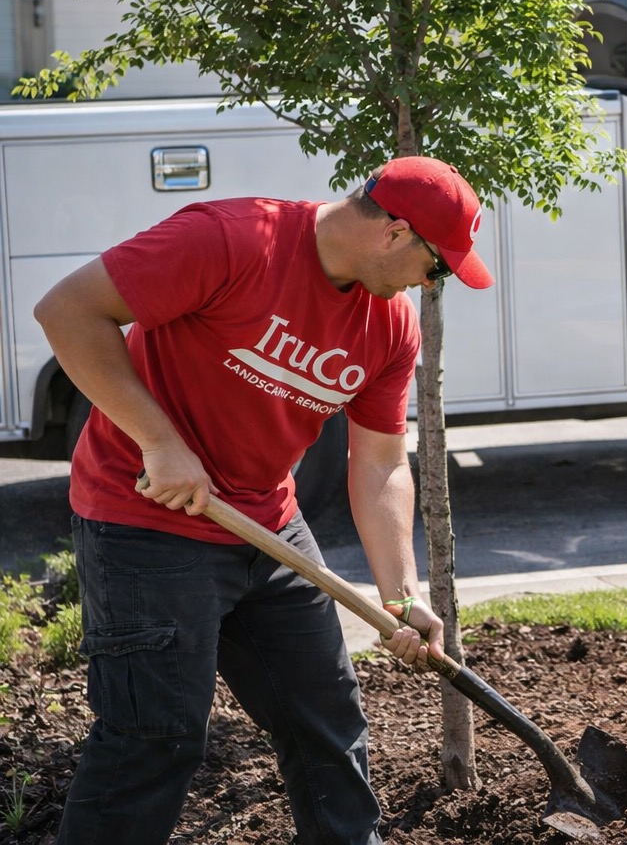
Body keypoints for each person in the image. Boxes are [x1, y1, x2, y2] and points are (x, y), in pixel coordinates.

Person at [34, 155, 495, 844]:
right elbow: (67, 310)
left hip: (266, 527)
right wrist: (158, 441)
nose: (434, 283)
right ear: (395, 233)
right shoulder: (233, 239)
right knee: (154, 738)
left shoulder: (391, 326)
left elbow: (379, 464)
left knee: (327, 722)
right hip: (146, 521)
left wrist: (402, 594)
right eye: (439, 266)